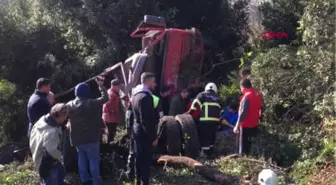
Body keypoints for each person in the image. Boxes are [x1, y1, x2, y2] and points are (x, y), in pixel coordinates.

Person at [67, 76, 108, 185]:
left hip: (76, 139)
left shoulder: (69, 105)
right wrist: (101, 86)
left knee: (81, 159)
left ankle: (84, 180)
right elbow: (105, 98)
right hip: (91, 137)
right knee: (93, 160)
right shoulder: (92, 103)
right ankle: (96, 181)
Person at [30, 103, 69, 185]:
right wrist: (61, 157)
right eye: (66, 115)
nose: (67, 118)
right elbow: (52, 150)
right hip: (47, 163)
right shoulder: (52, 132)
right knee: (51, 180)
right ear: (61, 116)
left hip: (38, 154)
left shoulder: (43, 120)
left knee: (60, 172)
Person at [131, 72, 158, 185]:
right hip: (144, 134)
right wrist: (153, 137)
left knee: (139, 158)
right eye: (153, 82)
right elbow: (146, 120)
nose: (155, 85)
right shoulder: (146, 97)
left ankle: (137, 181)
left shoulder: (135, 96)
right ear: (148, 82)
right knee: (146, 161)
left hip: (136, 132)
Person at [187, 82, 223, 156]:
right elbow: (222, 111)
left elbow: (194, 104)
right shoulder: (218, 98)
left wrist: (189, 113)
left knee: (204, 137)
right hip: (215, 122)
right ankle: (211, 153)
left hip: (205, 121)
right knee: (212, 137)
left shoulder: (202, 95)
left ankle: (204, 154)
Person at [233, 79, 262, 156]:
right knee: (250, 146)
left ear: (242, 87)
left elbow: (243, 112)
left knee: (242, 147)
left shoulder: (246, 96)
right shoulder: (257, 96)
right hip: (254, 124)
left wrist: (237, 125)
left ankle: (242, 160)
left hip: (245, 125)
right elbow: (261, 109)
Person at [102, 79, 123, 143]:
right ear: (115, 86)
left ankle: (110, 145)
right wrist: (113, 111)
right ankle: (110, 147)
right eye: (119, 86)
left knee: (110, 133)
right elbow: (108, 105)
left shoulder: (110, 92)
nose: (120, 88)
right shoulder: (111, 94)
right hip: (110, 118)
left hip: (109, 117)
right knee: (111, 134)